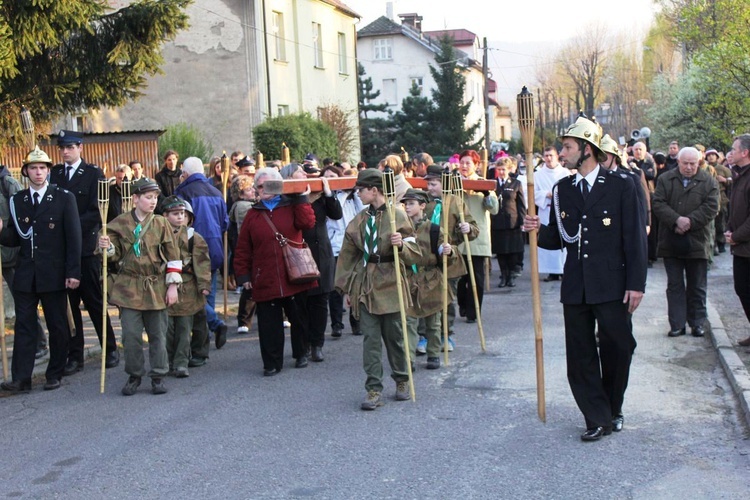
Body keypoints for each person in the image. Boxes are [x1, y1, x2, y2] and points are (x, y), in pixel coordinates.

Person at [522, 116, 647, 441]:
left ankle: (612, 406)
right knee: (580, 355)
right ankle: (596, 416)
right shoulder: (564, 188)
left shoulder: (620, 185)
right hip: (576, 287)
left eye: (568, 147)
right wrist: (535, 230)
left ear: (587, 150)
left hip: (612, 285)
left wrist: (636, 284)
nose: (562, 154)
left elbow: (634, 238)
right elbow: (560, 237)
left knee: (619, 347)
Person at [333, 169, 422, 410]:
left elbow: (416, 252)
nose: (358, 194)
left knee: (395, 337)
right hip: (367, 283)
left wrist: (401, 244)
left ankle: (402, 379)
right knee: (370, 340)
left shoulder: (398, 216)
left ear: (374, 191)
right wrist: (346, 288)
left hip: (392, 280)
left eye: (361, 190)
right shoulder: (360, 221)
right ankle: (373, 388)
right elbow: (348, 255)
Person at [0, 147, 82, 393]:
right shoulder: (18, 201)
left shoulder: (63, 197)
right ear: (25, 171)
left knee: (57, 324)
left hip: (55, 273)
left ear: (48, 171)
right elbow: (16, 238)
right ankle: (21, 379)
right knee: (25, 326)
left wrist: (73, 272)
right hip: (26, 274)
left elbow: (73, 238)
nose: (38, 173)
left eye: (43, 168)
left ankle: (54, 372)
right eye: (34, 168)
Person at [99, 178, 182, 395]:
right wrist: (106, 248)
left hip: (155, 285)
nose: (153, 202)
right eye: (148, 197)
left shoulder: (161, 224)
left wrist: (172, 287)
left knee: (158, 334)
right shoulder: (119, 223)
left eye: (155, 197)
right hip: (129, 286)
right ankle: (134, 375)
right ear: (135, 199)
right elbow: (113, 255)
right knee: (131, 335)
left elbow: (174, 256)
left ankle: (158, 375)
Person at [233, 168, 317, 376]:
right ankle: (271, 362)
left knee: (298, 316)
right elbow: (243, 247)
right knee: (269, 324)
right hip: (266, 276)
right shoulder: (253, 215)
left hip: (294, 272)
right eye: (259, 186)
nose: (263, 190)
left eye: (268, 185)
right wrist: (244, 276)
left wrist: (301, 197)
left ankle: (301, 353)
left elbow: (307, 223)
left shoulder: (292, 205)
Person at [50, 130, 119, 375]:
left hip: (85, 248)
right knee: (69, 305)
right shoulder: (54, 174)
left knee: (94, 301)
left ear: (80, 147)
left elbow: (100, 209)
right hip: (62, 250)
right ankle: (75, 355)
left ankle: (109, 347)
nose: (65, 151)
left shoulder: (93, 174)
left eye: (70, 147)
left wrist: (71, 225)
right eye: (62, 148)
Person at [652, 147, 719, 338]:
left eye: (693, 164)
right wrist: (676, 220)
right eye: (685, 163)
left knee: (697, 285)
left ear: (698, 163)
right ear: (678, 162)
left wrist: (690, 221)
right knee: (674, 286)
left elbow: (712, 206)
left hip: (698, 241)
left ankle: (697, 323)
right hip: (671, 240)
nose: (689, 167)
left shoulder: (707, 181)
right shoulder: (666, 179)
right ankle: (677, 324)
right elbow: (658, 203)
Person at [281, 163, 342, 362]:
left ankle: (317, 344)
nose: (305, 175)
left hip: (321, 252)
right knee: (301, 303)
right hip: (298, 253)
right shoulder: (286, 199)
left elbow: (336, 214)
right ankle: (304, 344)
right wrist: (301, 199)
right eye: (299, 172)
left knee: (320, 300)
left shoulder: (318, 194)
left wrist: (329, 194)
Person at [175, 157, 229, 353]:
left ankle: (212, 327)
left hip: (192, 249)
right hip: (214, 248)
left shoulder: (183, 192)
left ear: (185, 174)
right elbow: (225, 224)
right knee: (209, 293)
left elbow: (178, 223)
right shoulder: (216, 191)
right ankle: (206, 340)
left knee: (193, 295)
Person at [423, 165, 477, 349]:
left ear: (443, 183)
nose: (430, 188)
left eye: (433, 184)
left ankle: (447, 334)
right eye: (428, 184)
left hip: (450, 258)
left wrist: (467, 229)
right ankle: (426, 336)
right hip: (427, 259)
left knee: (446, 298)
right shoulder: (423, 202)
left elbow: (473, 228)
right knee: (426, 297)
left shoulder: (456, 202)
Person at [402, 188, 455, 370]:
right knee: (408, 321)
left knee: (434, 321)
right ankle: (408, 358)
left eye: (411, 203)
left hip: (431, 278)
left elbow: (443, 249)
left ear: (422, 206)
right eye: (405, 203)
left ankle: (433, 353)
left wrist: (447, 251)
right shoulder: (402, 228)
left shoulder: (433, 229)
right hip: (409, 278)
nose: (407, 207)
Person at [160, 196, 211, 378]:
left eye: (182, 214)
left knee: (184, 329)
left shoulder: (193, 238)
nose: (180, 217)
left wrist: (204, 284)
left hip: (187, 289)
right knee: (166, 329)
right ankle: (166, 361)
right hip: (164, 288)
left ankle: (181, 363)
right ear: (165, 216)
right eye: (175, 214)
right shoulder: (157, 235)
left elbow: (202, 262)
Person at [456, 149, 499, 324]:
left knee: (477, 279)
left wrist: (487, 195)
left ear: (475, 165)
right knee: (460, 278)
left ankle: (474, 312)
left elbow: (494, 209)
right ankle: (463, 304)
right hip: (458, 238)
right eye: (462, 162)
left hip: (477, 237)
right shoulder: (453, 183)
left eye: (468, 163)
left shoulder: (483, 184)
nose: (464, 166)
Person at [325, 164, 365, 337]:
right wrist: (340, 193)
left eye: (334, 177)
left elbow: (363, 210)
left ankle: (356, 322)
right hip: (335, 246)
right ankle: (336, 324)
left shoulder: (353, 198)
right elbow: (336, 214)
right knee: (336, 289)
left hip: (354, 246)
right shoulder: (327, 199)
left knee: (356, 285)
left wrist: (353, 192)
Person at [726, 134, 750, 347]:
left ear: (745, 152)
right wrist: (729, 230)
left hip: (746, 245)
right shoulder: (739, 175)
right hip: (741, 247)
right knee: (742, 289)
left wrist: (736, 235)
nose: (731, 153)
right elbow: (735, 208)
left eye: (734, 149)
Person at [534, 146, 570, 281]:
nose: (549, 158)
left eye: (551, 155)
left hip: (561, 211)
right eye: (546, 155)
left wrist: (556, 195)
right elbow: (532, 193)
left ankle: (563, 269)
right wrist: (545, 195)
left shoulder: (565, 173)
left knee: (561, 239)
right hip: (545, 209)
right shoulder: (538, 175)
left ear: (557, 157)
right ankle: (551, 271)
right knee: (546, 238)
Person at [491, 157, 526, 288]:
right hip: (497, 222)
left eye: (503, 169)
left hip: (512, 222)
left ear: (509, 169)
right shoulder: (493, 184)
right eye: (499, 169)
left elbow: (521, 204)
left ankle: (511, 275)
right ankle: (503, 275)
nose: (501, 172)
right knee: (501, 252)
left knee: (512, 251)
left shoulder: (515, 183)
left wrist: (522, 220)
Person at [229, 175, 257, 334]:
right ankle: (244, 320)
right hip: (249, 249)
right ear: (240, 194)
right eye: (248, 189)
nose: (253, 191)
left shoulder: (249, 204)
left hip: (252, 248)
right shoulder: (242, 206)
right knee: (250, 286)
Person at [706, 148, 732, 254]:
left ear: (717, 157)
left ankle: (721, 243)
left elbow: (732, 179)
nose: (711, 157)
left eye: (713, 155)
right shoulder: (705, 168)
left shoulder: (723, 168)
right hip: (708, 197)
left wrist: (725, 180)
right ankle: (712, 245)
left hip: (721, 197)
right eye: (709, 155)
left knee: (720, 223)